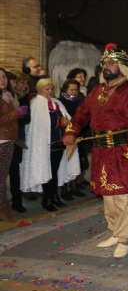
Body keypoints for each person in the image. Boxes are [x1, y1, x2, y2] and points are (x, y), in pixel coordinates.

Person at [63, 43, 128, 258]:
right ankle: (114, 232)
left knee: (125, 196)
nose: (107, 66)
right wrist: (71, 131)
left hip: (123, 151)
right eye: (105, 63)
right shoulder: (97, 90)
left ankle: (124, 238)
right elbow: (81, 114)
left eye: (111, 63)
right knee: (108, 197)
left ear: (121, 66)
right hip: (101, 154)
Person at [21, 78, 80, 212]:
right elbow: (38, 126)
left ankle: (54, 196)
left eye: (52, 88)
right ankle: (47, 199)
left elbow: (68, 120)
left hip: (59, 144)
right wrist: (59, 123)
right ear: (40, 90)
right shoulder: (36, 104)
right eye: (47, 89)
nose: (50, 91)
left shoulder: (57, 102)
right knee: (49, 172)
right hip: (45, 145)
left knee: (56, 171)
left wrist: (67, 123)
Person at [0, 68, 28, 220]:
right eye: (0, 77)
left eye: (4, 76)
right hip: (2, 141)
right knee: (1, 179)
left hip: (8, 140)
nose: (3, 80)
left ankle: (4, 208)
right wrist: (15, 114)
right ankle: (4, 209)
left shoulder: (7, 96)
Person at [58, 79, 88, 199]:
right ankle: (65, 190)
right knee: (66, 163)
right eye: (71, 89)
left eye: (76, 89)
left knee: (76, 162)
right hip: (67, 136)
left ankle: (74, 186)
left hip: (79, 136)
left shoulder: (80, 101)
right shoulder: (61, 102)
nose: (74, 92)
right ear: (65, 90)